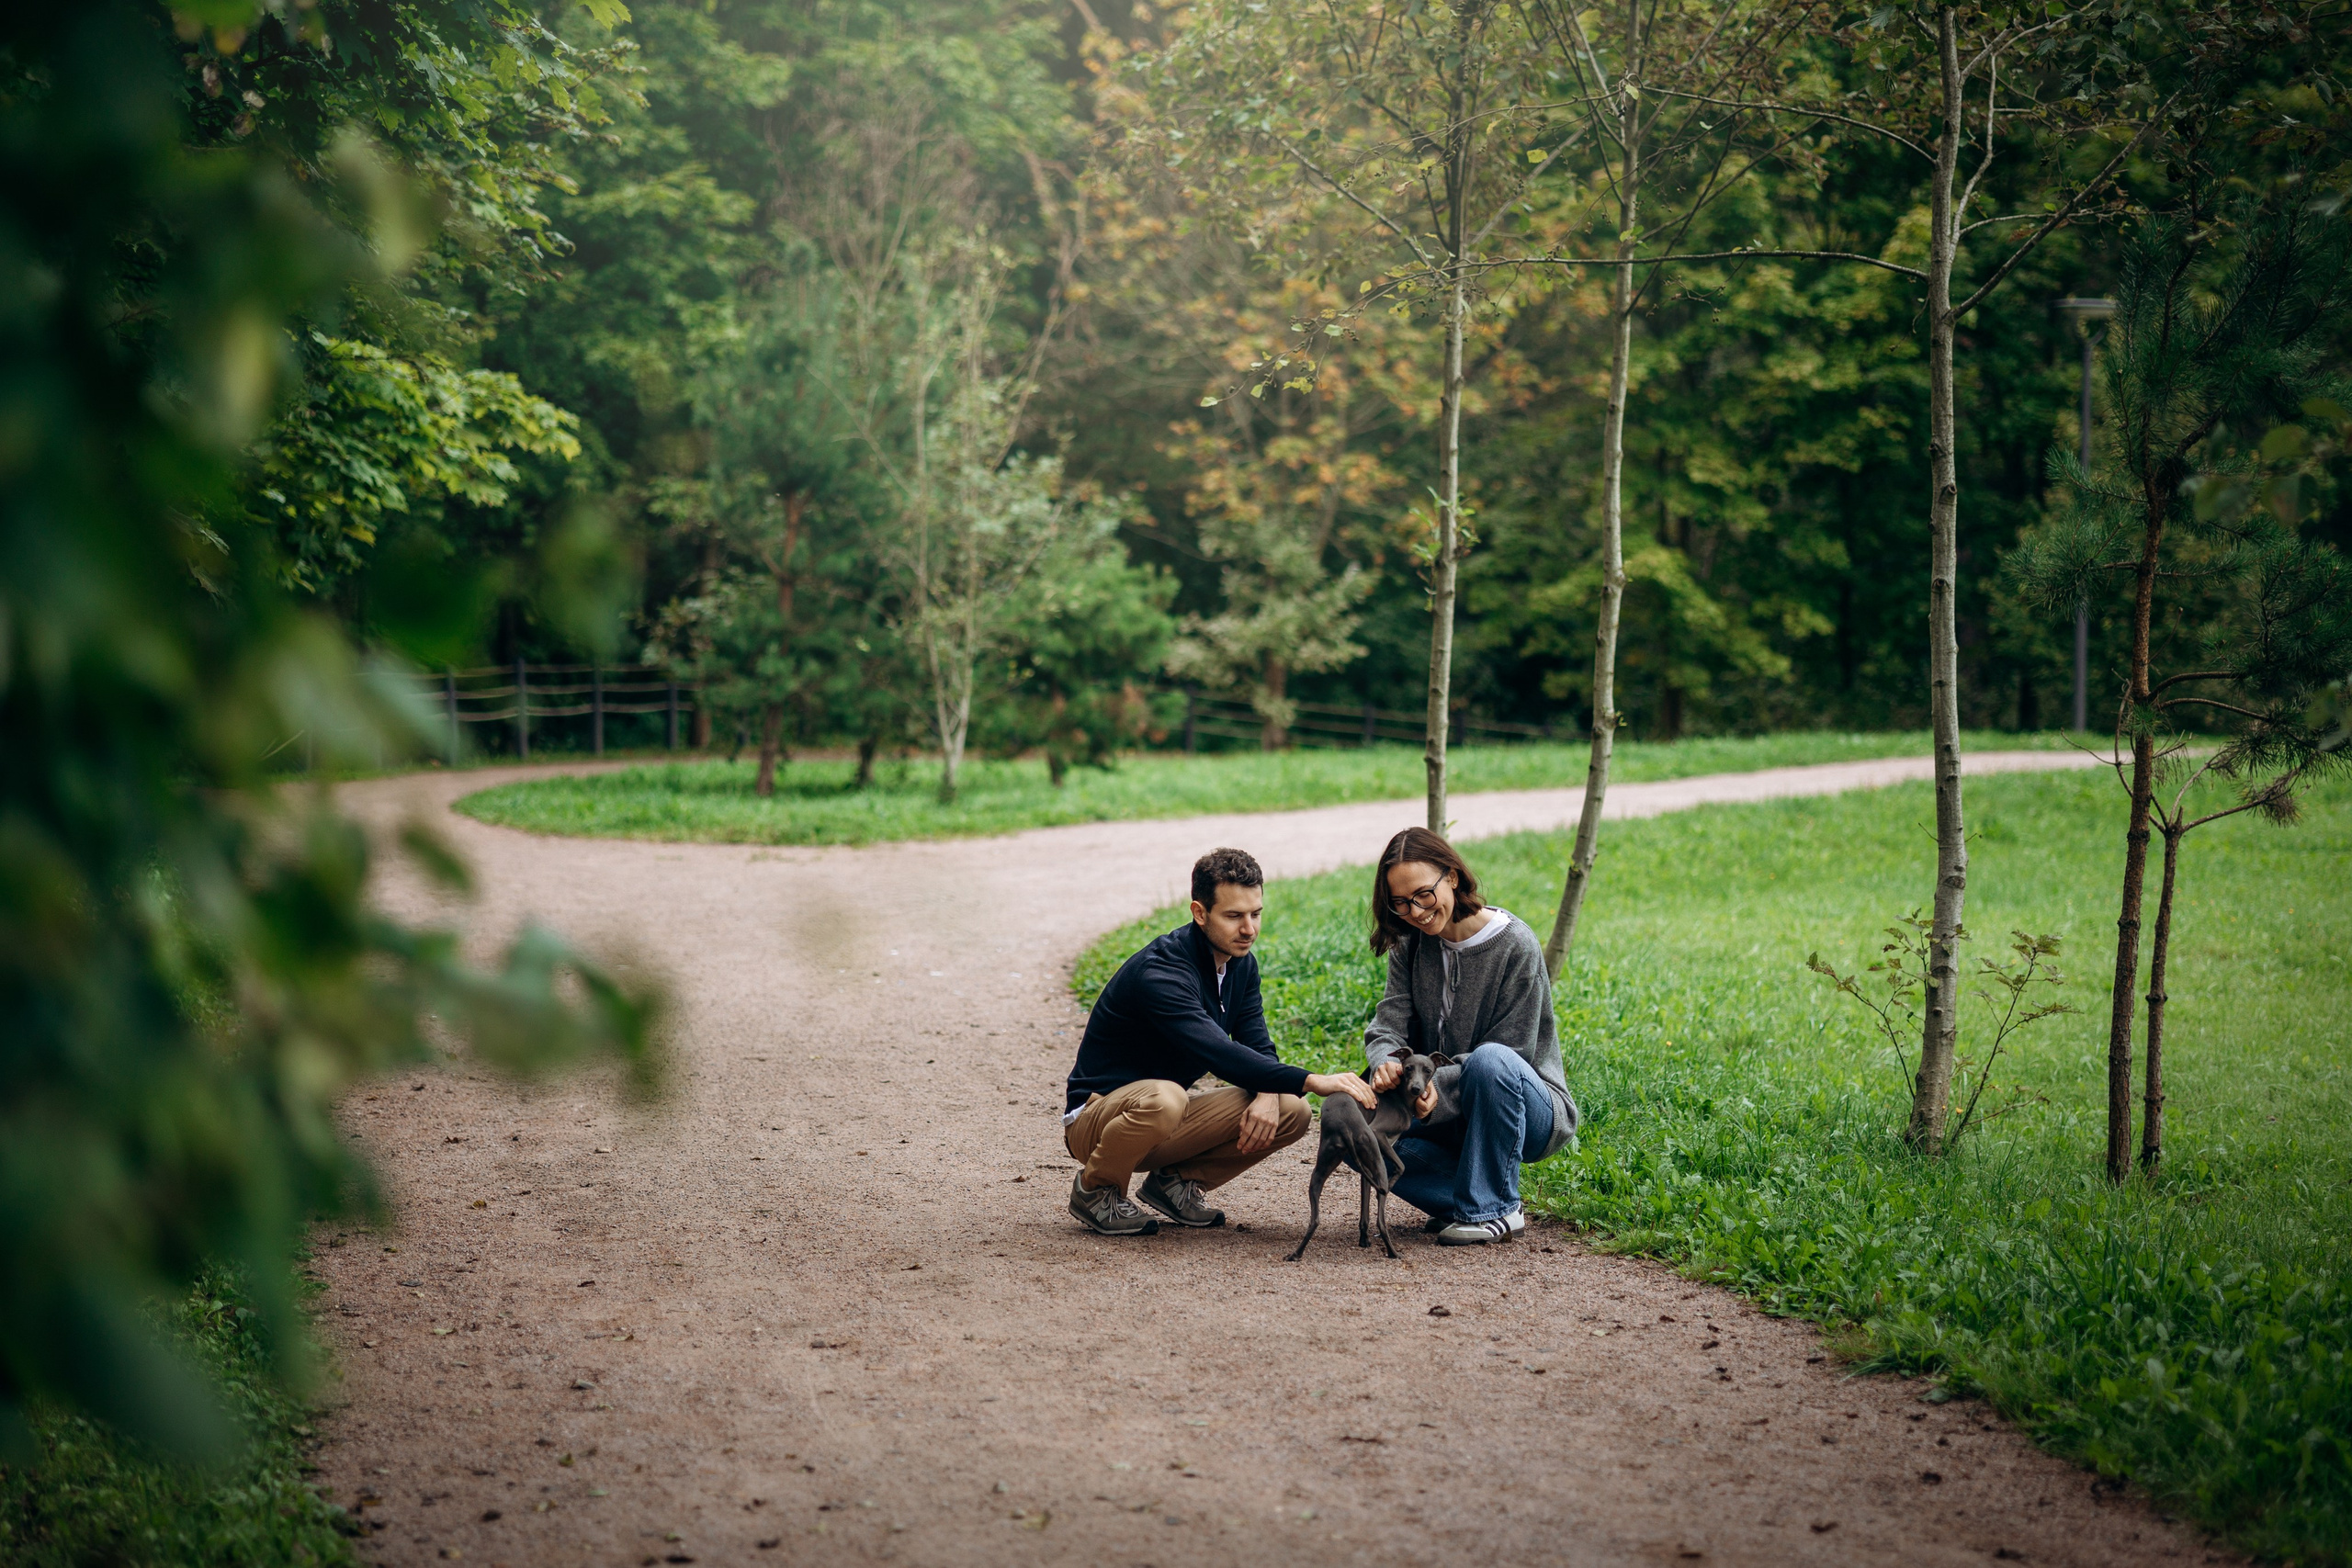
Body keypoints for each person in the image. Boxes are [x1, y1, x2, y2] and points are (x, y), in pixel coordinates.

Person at [1063, 847, 1377, 1236]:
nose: (1249, 929)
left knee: (1289, 1109)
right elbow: (1217, 1052)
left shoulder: (1239, 964)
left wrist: (1268, 1093)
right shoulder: (1161, 972)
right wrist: (1313, 1079)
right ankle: (1097, 1190)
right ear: (1199, 913)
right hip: (1098, 1120)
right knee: (1167, 1096)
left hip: (1162, 1120)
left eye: (1255, 914)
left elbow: (1255, 1043)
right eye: (1234, 916)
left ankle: (1173, 1185)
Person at [1362, 826, 1578, 1246]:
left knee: (1490, 1060)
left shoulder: (1515, 945)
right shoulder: (1410, 942)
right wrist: (1387, 1062)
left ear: (1453, 877)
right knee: (1358, 1123)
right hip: (1441, 1106)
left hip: (1525, 1109)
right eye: (1400, 903)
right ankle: (1474, 1200)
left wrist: (1429, 1086)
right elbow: (1389, 1022)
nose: (1416, 911)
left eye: (1424, 894)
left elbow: (1511, 1055)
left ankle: (1494, 1209)